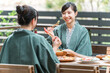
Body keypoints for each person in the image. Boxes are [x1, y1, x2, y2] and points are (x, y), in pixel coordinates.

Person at [0, 5, 62, 73]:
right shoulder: (39, 40)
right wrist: (55, 47)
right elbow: (53, 66)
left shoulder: (8, 40)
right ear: (33, 21)